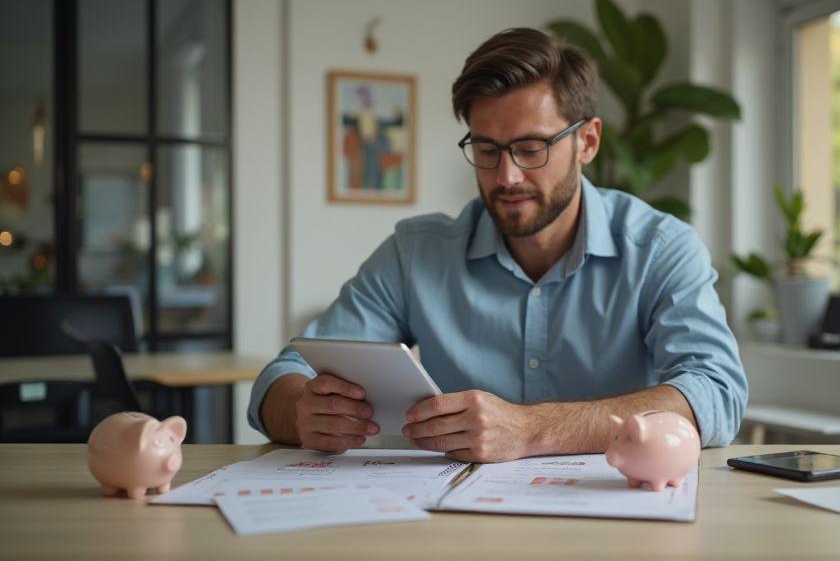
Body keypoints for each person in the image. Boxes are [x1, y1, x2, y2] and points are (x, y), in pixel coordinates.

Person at [249, 27, 747, 463]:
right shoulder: (415, 253)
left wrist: (532, 431)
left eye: (532, 148)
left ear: (588, 142)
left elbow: (716, 392)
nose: (507, 176)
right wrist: (301, 411)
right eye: (486, 149)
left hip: (613, 513)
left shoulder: (661, 247)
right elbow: (283, 376)